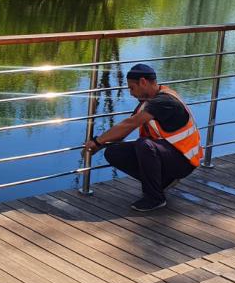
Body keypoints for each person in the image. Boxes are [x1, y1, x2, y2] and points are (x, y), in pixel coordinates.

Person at [83, 63, 201, 211]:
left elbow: (130, 123)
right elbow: (124, 131)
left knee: (144, 145)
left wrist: (97, 141)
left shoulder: (165, 101)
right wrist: (99, 145)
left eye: (132, 88)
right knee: (113, 152)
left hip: (184, 162)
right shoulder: (147, 104)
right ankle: (162, 182)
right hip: (167, 154)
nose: (131, 93)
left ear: (143, 82)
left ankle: (155, 198)